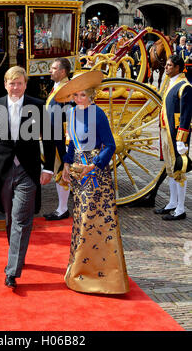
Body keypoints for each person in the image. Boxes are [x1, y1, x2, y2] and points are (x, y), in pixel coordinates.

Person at [0, 66, 55, 288]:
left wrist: (48, 168)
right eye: (12, 83)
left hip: (28, 171)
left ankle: (12, 270)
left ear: (25, 84)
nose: (15, 87)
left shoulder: (38, 106)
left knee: (21, 220)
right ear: (5, 85)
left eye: (19, 83)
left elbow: (49, 140)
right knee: (10, 217)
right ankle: (17, 254)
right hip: (4, 171)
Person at [56, 71, 130, 294]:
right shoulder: (71, 113)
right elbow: (71, 144)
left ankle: (106, 276)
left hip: (95, 174)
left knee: (95, 220)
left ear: (90, 95)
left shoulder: (98, 114)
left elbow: (110, 145)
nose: (76, 99)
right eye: (75, 95)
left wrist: (95, 164)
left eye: (80, 95)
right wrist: (66, 165)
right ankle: (79, 270)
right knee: (80, 219)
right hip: (79, 173)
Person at [154, 55, 192, 220]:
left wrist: (182, 139)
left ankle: (181, 209)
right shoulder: (170, 82)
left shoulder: (185, 86)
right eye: (166, 65)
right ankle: (172, 203)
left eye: (169, 65)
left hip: (176, 134)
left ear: (178, 67)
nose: (166, 67)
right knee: (170, 169)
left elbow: (186, 115)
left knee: (179, 170)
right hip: (166, 130)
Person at [44, 58, 71, 221]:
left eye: (53, 68)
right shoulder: (59, 87)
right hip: (53, 135)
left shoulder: (66, 90)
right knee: (57, 169)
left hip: (60, 137)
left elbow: (68, 117)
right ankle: (62, 207)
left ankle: (63, 208)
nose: (50, 71)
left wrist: (67, 141)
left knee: (62, 170)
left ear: (62, 72)